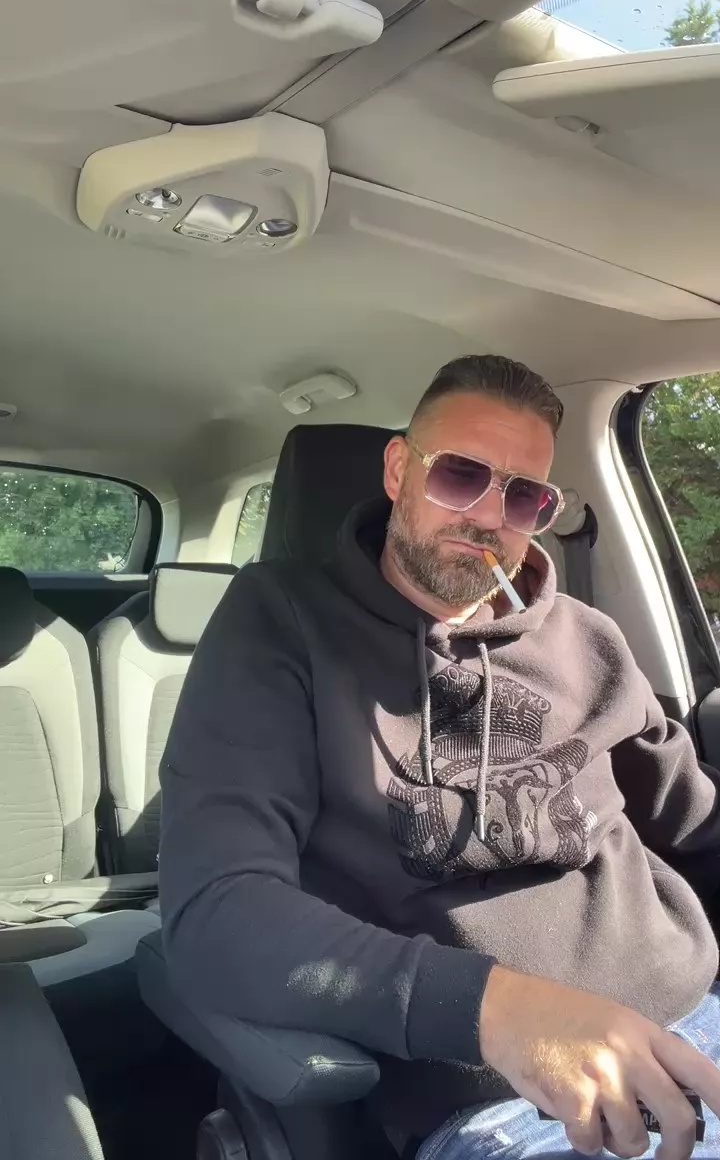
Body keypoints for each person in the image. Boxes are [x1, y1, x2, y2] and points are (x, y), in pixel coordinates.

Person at [159, 355, 720, 1160]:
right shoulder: (281, 624)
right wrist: (502, 1012)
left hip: (696, 1018)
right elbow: (219, 910)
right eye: (461, 475)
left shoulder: (591, 641)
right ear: (399, 470)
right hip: (507, 1103)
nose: (489, 516)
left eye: (524, 497)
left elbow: (696, 823)